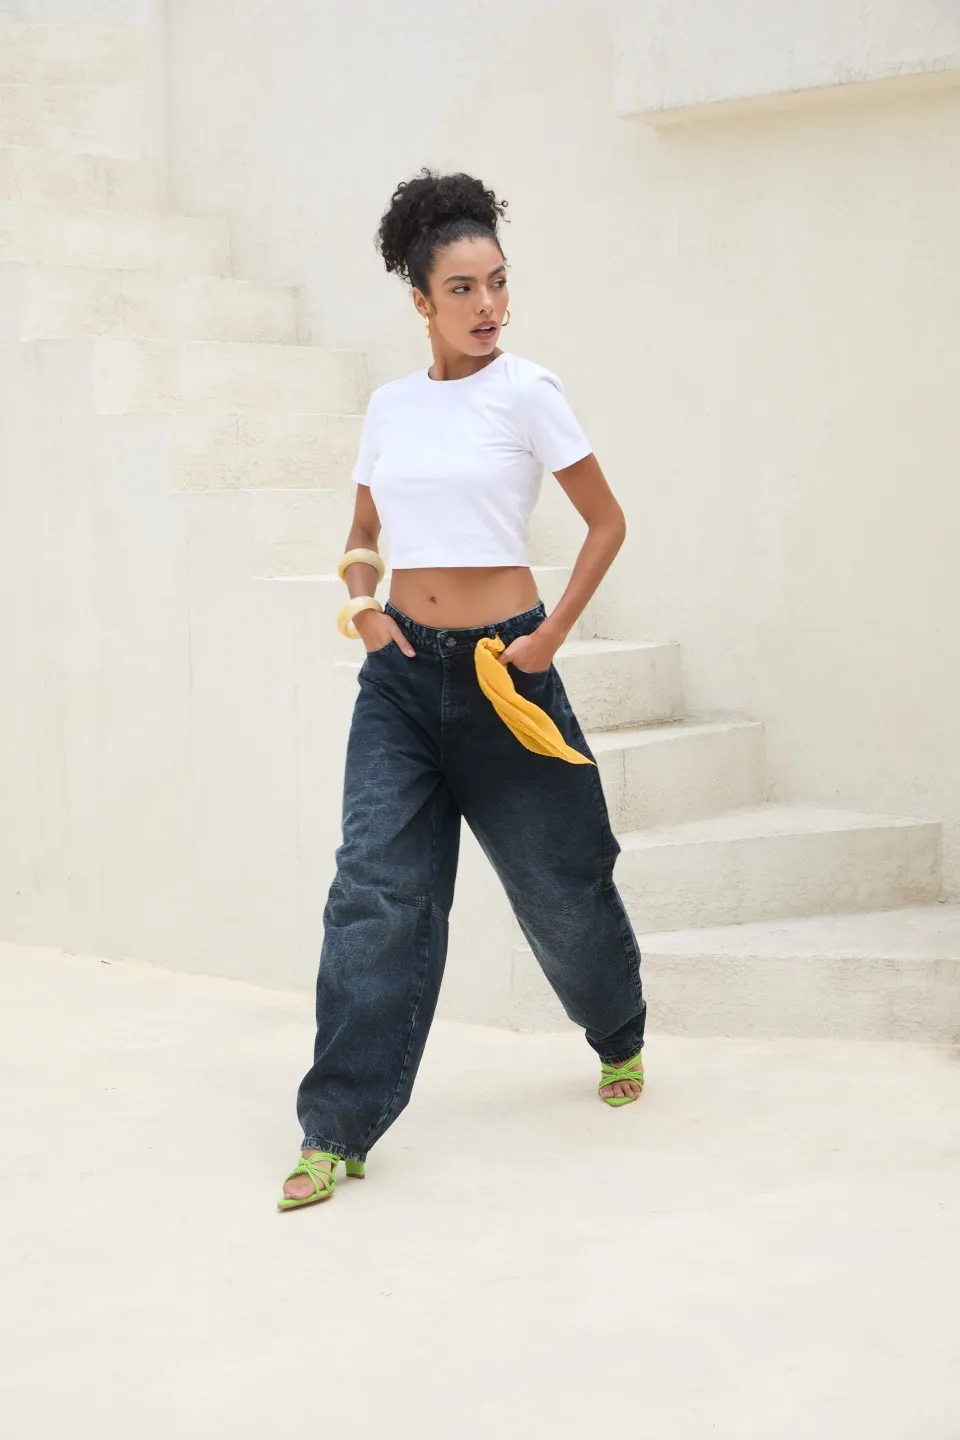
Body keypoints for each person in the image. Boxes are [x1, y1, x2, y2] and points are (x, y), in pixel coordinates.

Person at [279, 169, 646, 1211]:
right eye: (462, 289)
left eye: (498, 282)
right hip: (400, 680)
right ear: (420, 300)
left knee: (561, 888)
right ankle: (334, 1130)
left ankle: (618, 1031)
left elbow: (606, 521)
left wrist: (549, 637)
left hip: (505, 670)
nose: (488, 305)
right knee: (374, 894)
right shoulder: (390, 407)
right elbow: (363, 534)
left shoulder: (529, 391)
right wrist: (364, 606)